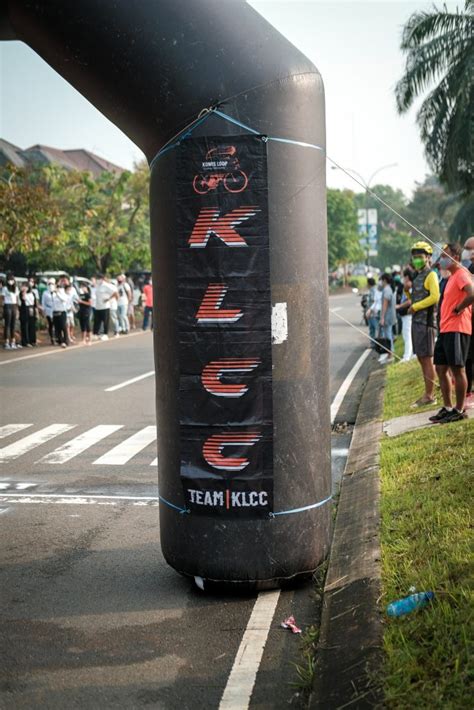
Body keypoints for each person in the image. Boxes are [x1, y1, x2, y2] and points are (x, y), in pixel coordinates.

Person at [428, 243, 474, 423]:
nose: (442, 259)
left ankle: (459, 408)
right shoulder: (452, 277)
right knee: (440, 368)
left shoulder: (462, 274)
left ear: (455, 256)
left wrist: (459, 308)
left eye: (446, 256)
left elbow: (472, 294)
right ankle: (447, 407)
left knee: (457, 369)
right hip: (445, 329)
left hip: (457, 328)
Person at [407, 241, 440, 407]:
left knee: (427, 359)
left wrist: (416, 307)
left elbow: (435, 297)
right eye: (415, 258)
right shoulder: (417, 276)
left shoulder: (431, 275)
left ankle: (430, 395)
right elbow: (415, 297)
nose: (417, 260)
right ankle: (428, 393)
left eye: (420, 257)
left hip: (426, 324)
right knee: (421, 357)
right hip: (416, 323)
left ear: (428, 258)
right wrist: (407, 291)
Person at [462, 235, 474, 405]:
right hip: (470, 319)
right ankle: (468, 392)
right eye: (468, 250)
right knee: (469, 356)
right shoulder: (470, 268)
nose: (470, 254)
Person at [395, 268, 414, 362]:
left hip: (408, 314)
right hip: (405, 314)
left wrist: (399, 306)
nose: (403, 278)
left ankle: (407, 356)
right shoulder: (406, 286)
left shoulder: (410, 286)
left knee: (407, 335)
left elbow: (410, 300)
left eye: (404, 276)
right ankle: (411, 354)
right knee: (406, 334)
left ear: (407, 277)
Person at [378, 273, 396, 363]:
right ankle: (390, 353)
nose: (380, 282)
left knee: (388, 335)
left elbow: (384, 305)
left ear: (384, 280)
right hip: (390, 316)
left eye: (381, 280)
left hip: (387, 316)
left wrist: (382, 318)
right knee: (389, 334)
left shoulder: (386, 290)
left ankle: (390, 354)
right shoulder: (389, 289)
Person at [93, 274, 117, 340]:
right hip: (98, 306)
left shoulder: (106, 286)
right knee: (97, 321)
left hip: (105, 307)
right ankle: (95, 334)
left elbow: (115, 293)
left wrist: (108, 299)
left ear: (102, 279)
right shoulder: (97, 286)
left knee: (105, 321)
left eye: (98, 279)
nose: (97, 280)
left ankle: (105, 334)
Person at [1, 274, 20, 349]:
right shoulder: (5, 288)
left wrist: (17, 308)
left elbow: (17, 298)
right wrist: (2, 308)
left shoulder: (16, 288)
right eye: (9, 280)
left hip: (14, 306)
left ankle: (13, 341)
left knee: (13, 325)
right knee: (7, 324)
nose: (10, 281)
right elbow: (2, 298)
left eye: (12, 280)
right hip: (7, 305)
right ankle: (6, 342)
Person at [52, 277, 69, 347]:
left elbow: (63, 300)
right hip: (55, 312)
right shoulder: (54, 295)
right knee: (57, 327)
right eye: (57, 287)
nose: (58, 289)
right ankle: (60, 340)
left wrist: (58, 293)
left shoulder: (63, 294)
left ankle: (65, 341)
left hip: (62, 312)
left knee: (63, 327)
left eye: (59, 288)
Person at [19, 281, 37, 347]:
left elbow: (34, 303)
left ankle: (32, 340)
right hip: (24, 309)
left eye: (26, 286)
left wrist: (36, 310)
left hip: (31, 308)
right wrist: (24, 292)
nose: (24, 287)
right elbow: (23, 299)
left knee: (32, 325)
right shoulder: (21, 293)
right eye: (23, 286)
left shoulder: (32, 293)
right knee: (25, 326)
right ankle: (25, 341)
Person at [41, 278, 56, 345]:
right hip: (48, 309)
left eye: (52, 284)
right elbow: (43, 302)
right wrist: (44, 311)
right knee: (51, 324)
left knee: (57, 324)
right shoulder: (45, 293)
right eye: (49, 284)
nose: (50, 285)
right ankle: (52, 338)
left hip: (56, 309)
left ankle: (58, 337)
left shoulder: (56, 292)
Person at [365, 277, 378, 342]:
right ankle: (373, 343)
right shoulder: (373, 290)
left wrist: (369, 311)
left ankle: (375, 343)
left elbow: (373, 301)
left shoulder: (373, 291)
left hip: (372, 313)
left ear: (369, 284)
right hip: (372, 312)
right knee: (372, 328)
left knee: (373, 328)